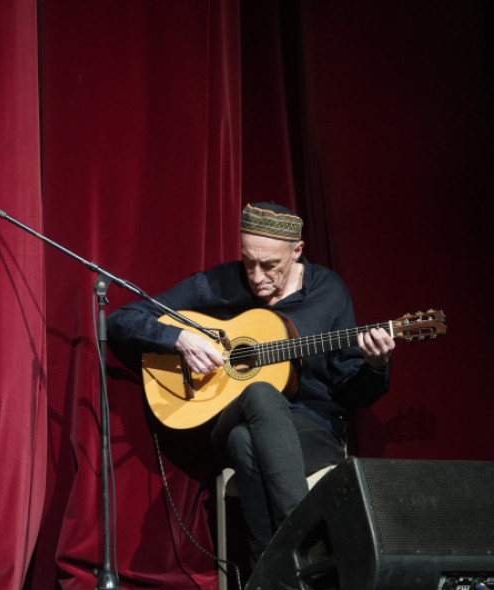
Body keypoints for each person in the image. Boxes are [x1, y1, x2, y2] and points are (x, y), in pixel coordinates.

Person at [106, 202, 395, 566]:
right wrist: (179, 339)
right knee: (259, 393)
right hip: (232, 418)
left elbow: (353, 392)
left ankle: (270, 580)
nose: (257, 276)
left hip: (311, 431)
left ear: (297, 251)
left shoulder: (328, 292)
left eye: (270, 266)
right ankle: (303, 545)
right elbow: (122, 320)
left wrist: (376, 365)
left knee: (247, 443)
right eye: (248, 262)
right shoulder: (221, 283)